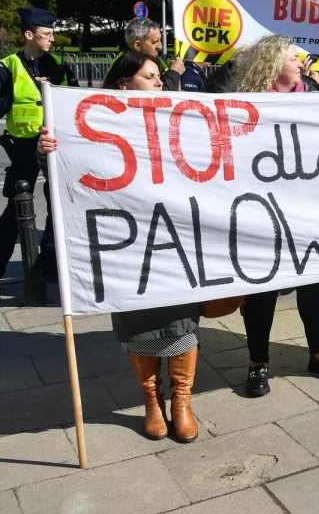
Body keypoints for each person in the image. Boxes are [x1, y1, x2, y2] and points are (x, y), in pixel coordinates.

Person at [37, 51, 203, 441]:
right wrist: (48, 152)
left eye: (159, 75)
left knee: (182, 321)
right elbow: (72, 175)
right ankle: (152, 401)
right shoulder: (96, 124)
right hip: (126, 244)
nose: (160, 82)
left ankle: (182, 401)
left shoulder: (175, 117)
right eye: (150, 76)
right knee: (138, 321)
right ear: (124, 84)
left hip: (172, 239)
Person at [229, 35, 319, 397]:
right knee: (262, 289)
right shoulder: (244, 105)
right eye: (294, 58)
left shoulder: (312, 96)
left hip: (306, 209)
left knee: (312, 282)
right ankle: (258, 362)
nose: (300, 63)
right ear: (272, 64)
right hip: (261, 212)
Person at [0, 8, 79, 301]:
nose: (52, 39)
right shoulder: (7, 66)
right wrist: (15, 91)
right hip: (23, 146)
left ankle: (49, 266)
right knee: (15, 210)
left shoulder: (59, 65)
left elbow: (76, 103)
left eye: (52, 33)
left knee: (57, 208)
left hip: (55, 145)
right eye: (47, 34)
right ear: (29, 34)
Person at [121, 18, 185, 91]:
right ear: (138, 45)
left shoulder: (152, 58)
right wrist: (174, 73)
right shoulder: (126, 64)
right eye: (154, 42)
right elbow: (159, 95)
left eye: (160, 40)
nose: (160, 47)